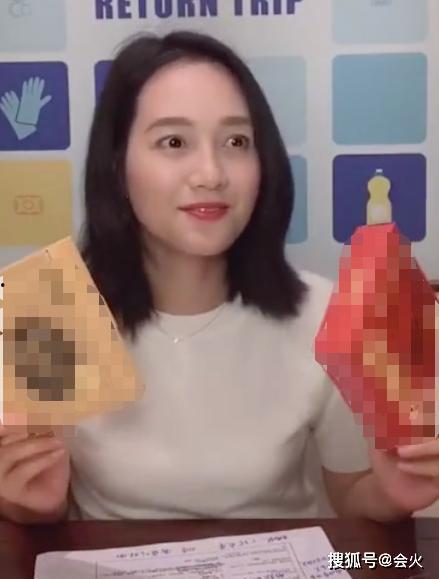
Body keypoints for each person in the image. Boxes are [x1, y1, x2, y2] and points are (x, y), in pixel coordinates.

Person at [1, 31, 439, 524]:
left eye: (236, 142)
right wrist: (28, 504)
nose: (211, 173)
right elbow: (40, 510)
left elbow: (353, 503)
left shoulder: (324, 314)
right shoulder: (50, 315)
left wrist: (394, 493)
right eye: (173, 142)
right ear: (118, 167)